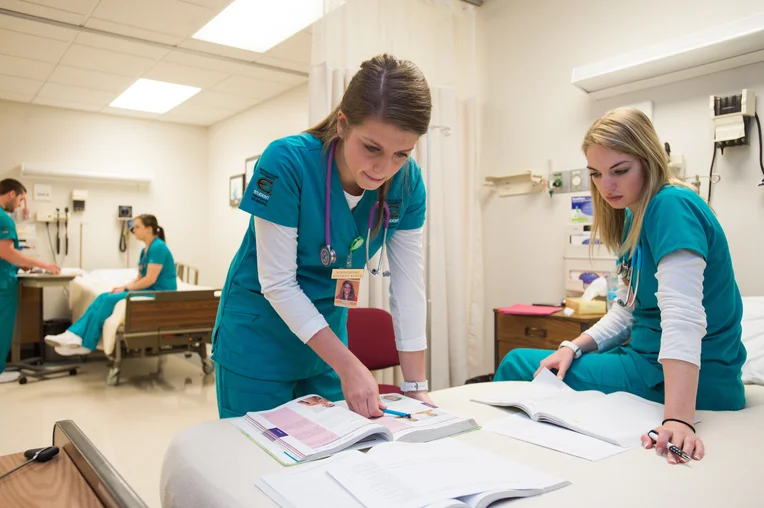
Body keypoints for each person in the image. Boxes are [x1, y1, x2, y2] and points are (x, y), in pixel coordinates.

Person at [494, 107, 747, 464]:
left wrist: (677, 418)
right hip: (647, 362)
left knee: (518, 363)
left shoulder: (671, 206)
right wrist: (574, 347)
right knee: (546, 362)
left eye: (620, 171)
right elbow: (628, 310)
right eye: (596, 174)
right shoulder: (635, 212)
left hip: (687, 380)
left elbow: (682, 315)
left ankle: (503, 460)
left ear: (649, 160)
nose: (605, 185)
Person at [213, 53, 433, 419]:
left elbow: (409, 287)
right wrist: (349, 366)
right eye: (372, 148)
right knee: (262, 463)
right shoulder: (287, 162)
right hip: (259, 341)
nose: (384, 169)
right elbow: (278, 283)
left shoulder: (408, 182)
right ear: (344, 125)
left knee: (336, 462)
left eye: (401, 154)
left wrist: (416, 388)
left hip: (326, 344)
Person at [45, 214, 176, 356]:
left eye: (137, 227)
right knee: (103, 296)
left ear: (149, 229)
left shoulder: (158, 248)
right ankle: (73, 334)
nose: (133, 230)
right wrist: (123, 286)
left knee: (108, 299)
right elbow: (139, 277)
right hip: (149, 289)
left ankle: (87, 343)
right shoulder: (145, 250)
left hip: (160, 293)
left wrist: (127, 288)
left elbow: (150, 279)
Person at [0, 179, 61, 383]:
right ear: (11, 194)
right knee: (2, 327)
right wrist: (45, 265)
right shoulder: (3, 219)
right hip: (2, 285)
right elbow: (6, 252)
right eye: (21, 199)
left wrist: (20, 264)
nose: (20, 205)